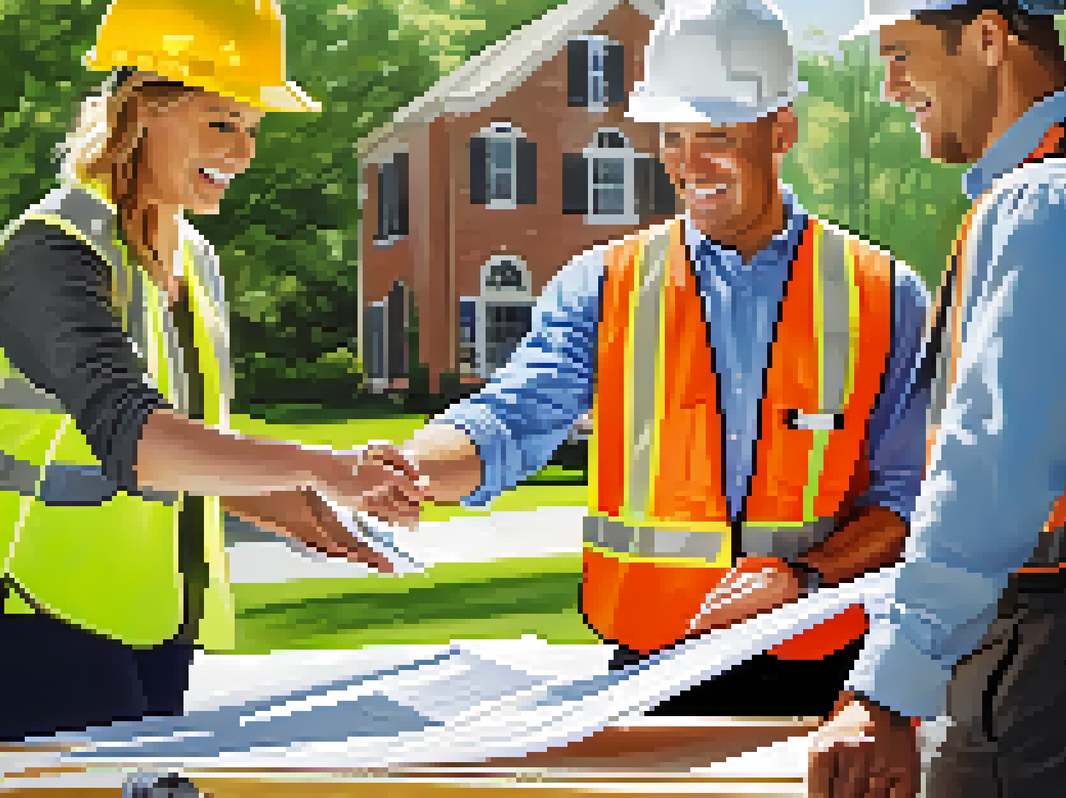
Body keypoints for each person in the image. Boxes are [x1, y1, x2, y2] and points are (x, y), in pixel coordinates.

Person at [353, 0, 932, 718]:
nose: (689, 166)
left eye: (715, 135)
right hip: (656, 663)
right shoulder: (606, 281)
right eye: (671, 138)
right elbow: (512, 418)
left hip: (824, 662)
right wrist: (410, 466)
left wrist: (804, 577)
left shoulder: (883, 293)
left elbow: (908, 496)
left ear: (782, 129)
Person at [0, 0, 420, 748]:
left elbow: (190, 445)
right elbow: (136, 437)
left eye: (253, 129)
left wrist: (293, 504)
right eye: (221, 122)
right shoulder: (52, 253)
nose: (245, 152)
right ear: (139, 112)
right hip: (31, 608)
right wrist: (327, 468)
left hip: (151, 612)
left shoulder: (195, 260)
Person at [803, 1, 1066, 795]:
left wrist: (886, 691)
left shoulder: (1044, 207)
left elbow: (989, 471)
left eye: (902, 56)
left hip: (1054, 654)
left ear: (989, 37)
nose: (890, 88)